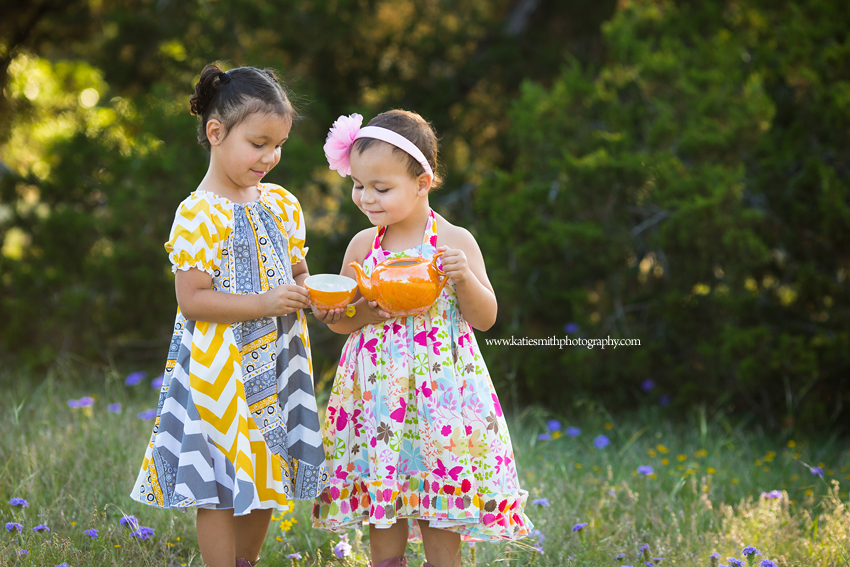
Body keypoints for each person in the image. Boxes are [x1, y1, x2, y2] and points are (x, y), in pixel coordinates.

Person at [311, 110, 532, 567]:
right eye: (358, 185)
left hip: (441, 395)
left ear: (422, 182)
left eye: (381, 188)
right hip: (379, 396)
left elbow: (486, 317)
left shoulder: (453, 241)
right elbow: (342, 322)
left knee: (437, 496)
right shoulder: (362, 247)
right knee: (385, 500)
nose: (366, 198)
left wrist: (466, 279)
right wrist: (345, 312)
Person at [130, 63, 328, 567]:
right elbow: (193, 299)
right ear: (216, 133)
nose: (271, 156)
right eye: (259, 143)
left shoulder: (282, 205)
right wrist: (261, 304)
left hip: (276, 358)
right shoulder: (199, 213)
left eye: (278, 144)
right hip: (221, 370)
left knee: (268, 468)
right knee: (218, 479)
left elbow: (298, 271)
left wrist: (317, 293)